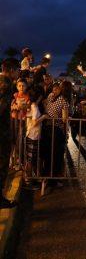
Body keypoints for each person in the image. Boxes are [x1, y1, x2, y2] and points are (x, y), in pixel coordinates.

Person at [0, 58, 19, 208]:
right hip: (2, 134)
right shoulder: (6, 84)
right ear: (12, 70)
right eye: (17, 70)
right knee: (1, 165)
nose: (18, 74)